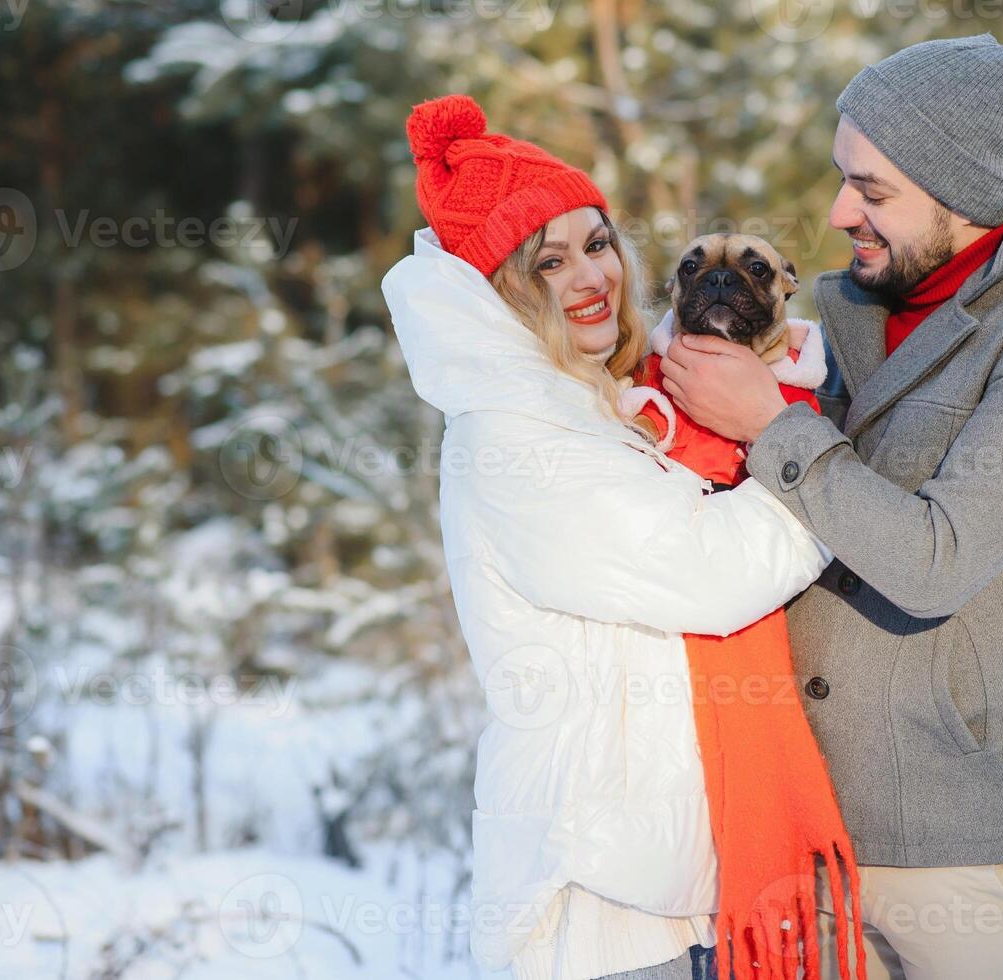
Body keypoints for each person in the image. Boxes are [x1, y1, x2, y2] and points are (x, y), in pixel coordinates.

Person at [659, 34, 1003, 980]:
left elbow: (938, 559)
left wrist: (772, 428)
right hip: (798, 838)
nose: (839, 212)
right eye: (844, 180)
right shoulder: (828, 319)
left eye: (872, 191)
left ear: (958, 191)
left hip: (968, 852)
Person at [381, 94, 831, 980]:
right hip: (600, 902)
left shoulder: (601, 399)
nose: (593, 277)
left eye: (598, 243)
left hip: (676, 879)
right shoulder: (517, 437)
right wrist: (812, 454)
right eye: (550, 262)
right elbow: (713, 570)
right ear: (502, 288)